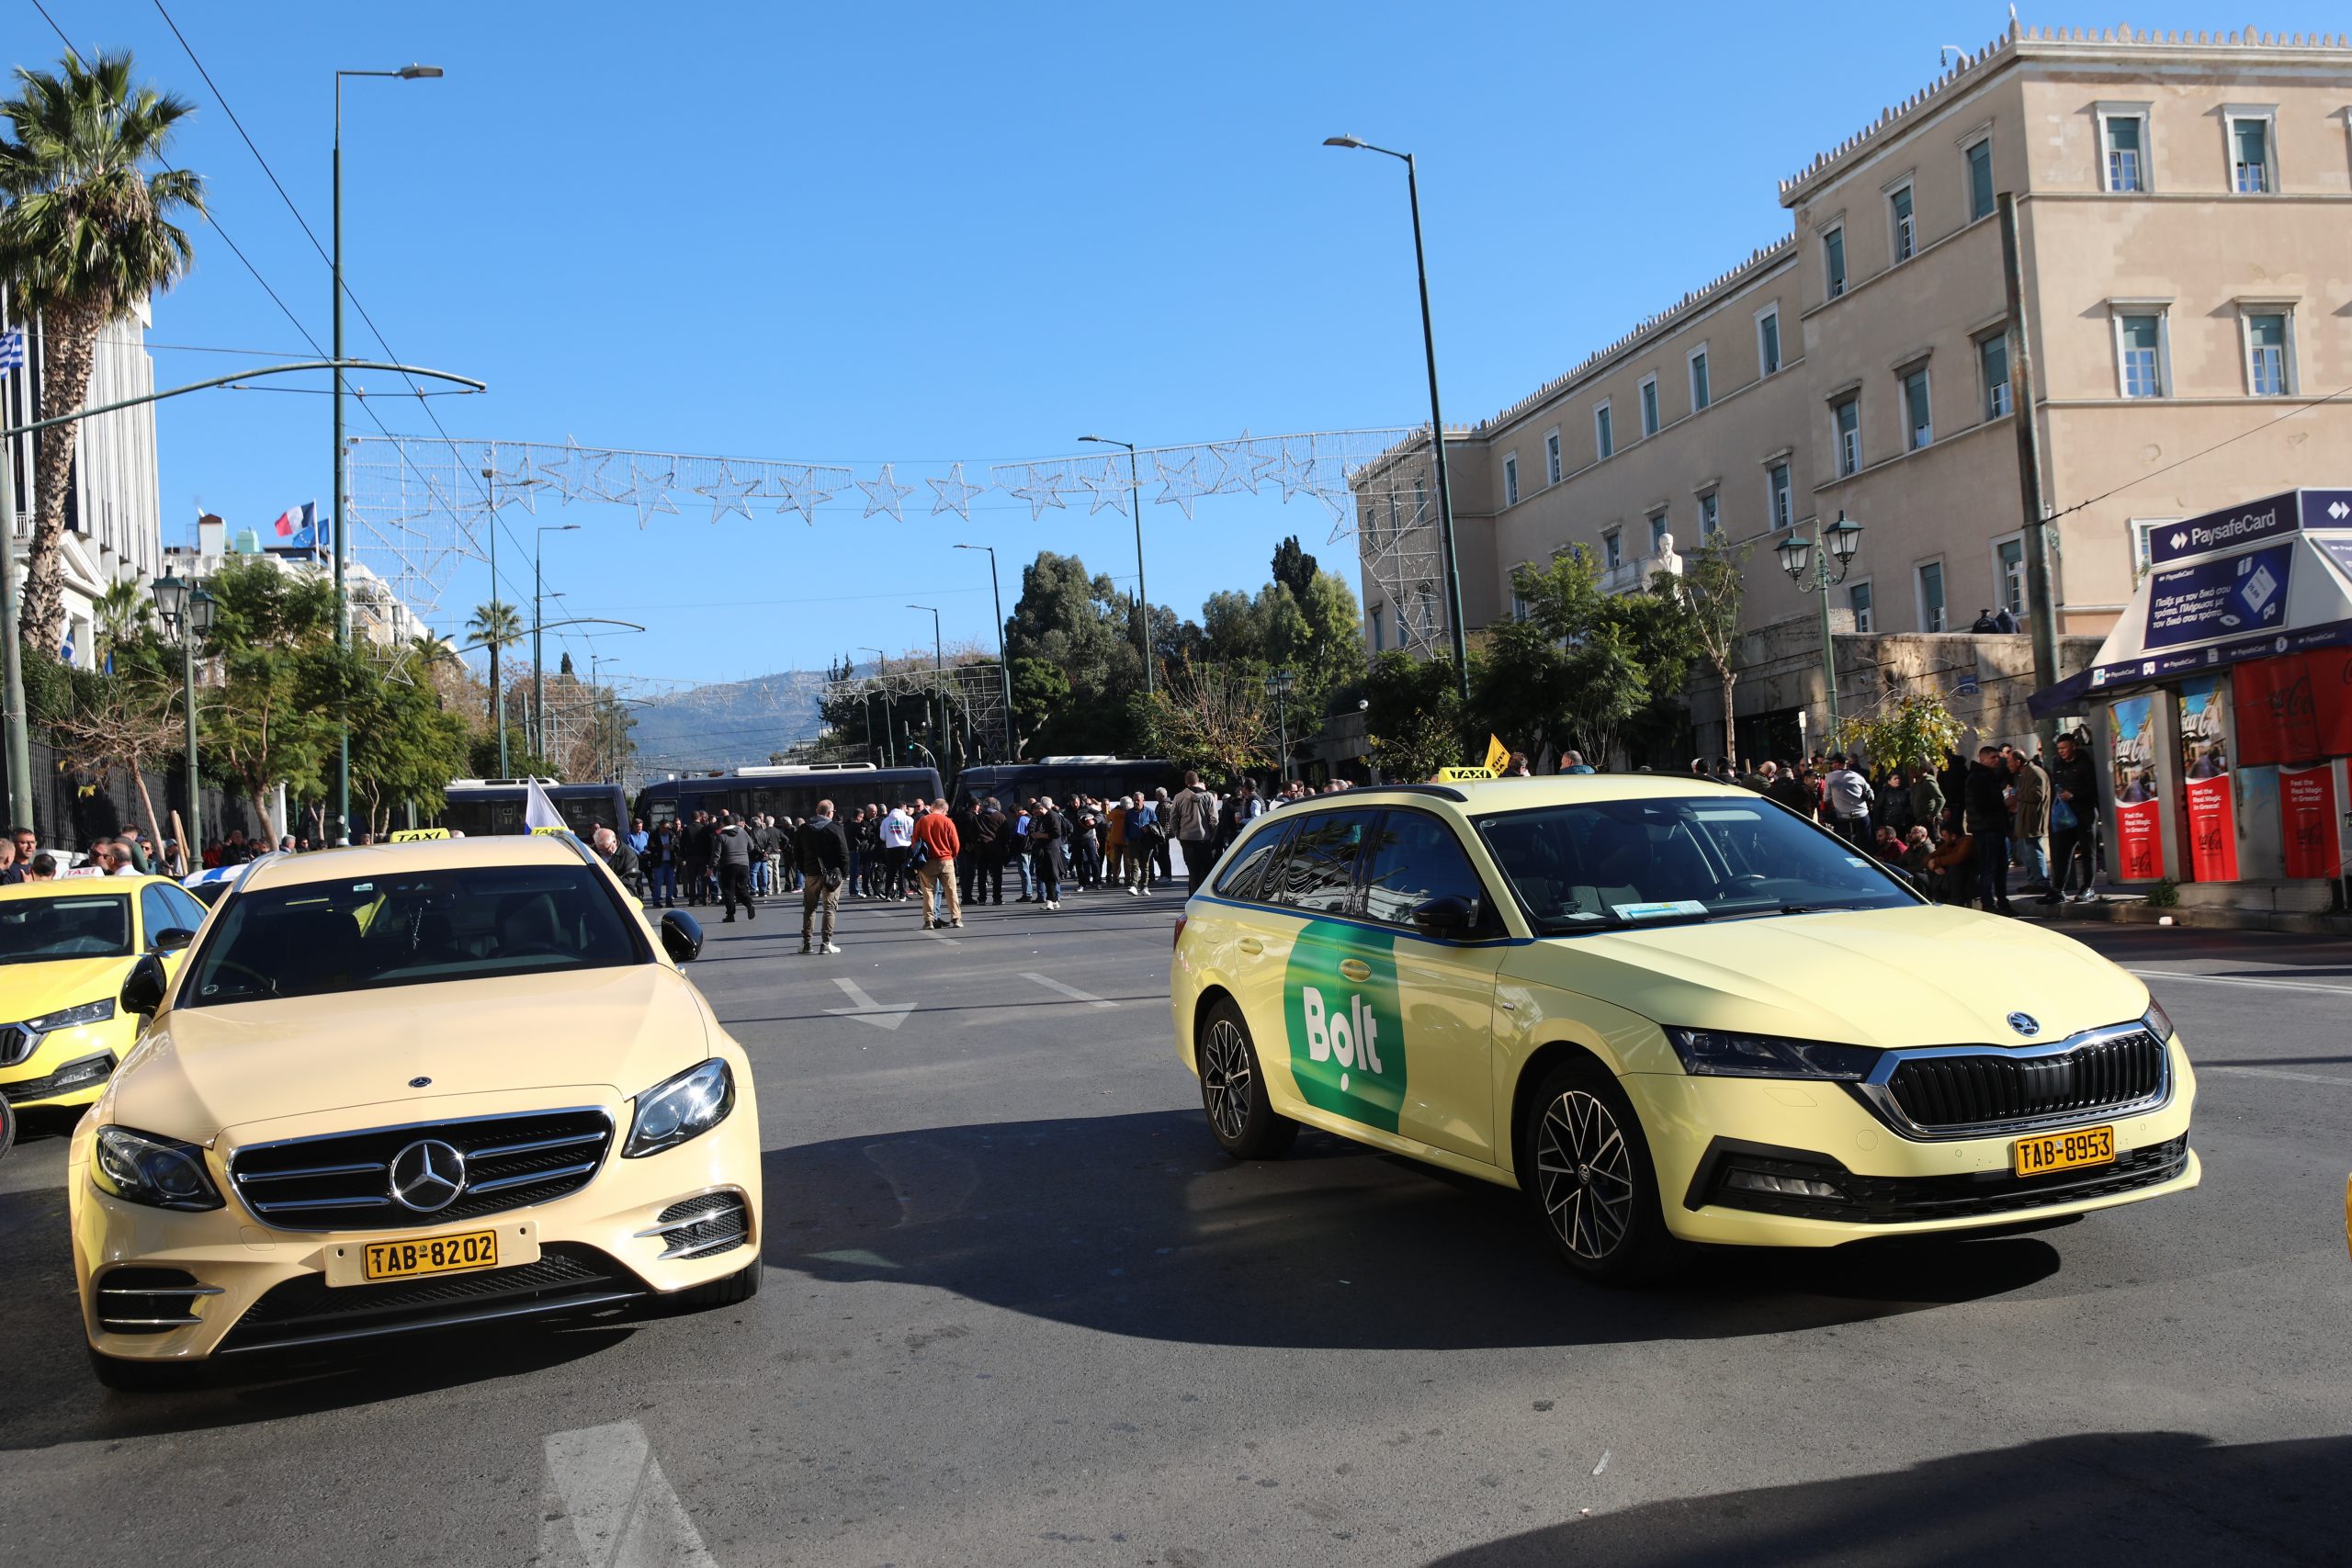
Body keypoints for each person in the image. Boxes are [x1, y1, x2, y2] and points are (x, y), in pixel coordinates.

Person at [2048, 731, 2099, 905]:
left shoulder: (2086, 763)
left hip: (2084, 812)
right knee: (2061, 852)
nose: (2061, 751)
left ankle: (2088, 887)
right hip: (2065, 814)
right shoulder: (2057, 762)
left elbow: (2094, 789)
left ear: (2074, 746)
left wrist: (2074, 795)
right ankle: (2057, 890)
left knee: (2087, 852)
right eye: (2059, 748)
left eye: (2064, 748)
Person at [1963, 745, 2016, 914]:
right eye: (1992, 757)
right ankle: (1988, 903)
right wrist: (2004, 803)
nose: (1997, 760)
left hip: (1995, 827)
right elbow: (1981, 805)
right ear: (1983, 759)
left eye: (1997, 757)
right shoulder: (1977, 778)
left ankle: (2002, 902)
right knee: (1990, 867)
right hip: (1985, 829)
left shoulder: (1989, 776)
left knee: (2001, 867)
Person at [795, 799, 848, 954]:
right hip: (832, 874)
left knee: (809, 908)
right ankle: (826, 943)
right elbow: (843, 853)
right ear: (830, 812)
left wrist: (804, 869)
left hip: (811, 873)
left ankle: (807, 943)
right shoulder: (835, 828)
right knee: (829, 908)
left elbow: (797, 853)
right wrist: (844, 873)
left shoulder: (804, 829)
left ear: (817, 811)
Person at [2007, 744, 2052, 895]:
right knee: (2027, 852)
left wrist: (2016, 797)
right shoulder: (2024, 774)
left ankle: (2041, 881)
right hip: (2025, 818)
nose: (2008, 766)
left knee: (2034, 850)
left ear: (2018, 761)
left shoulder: (2035, 773)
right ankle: (2033, 880)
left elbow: (2037, 795)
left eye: (2010, 762)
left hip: (2033, 819)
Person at [912, 798, 963, 930]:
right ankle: (956, 918)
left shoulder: (923, 821)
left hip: (928, 861)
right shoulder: (948, 822)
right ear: (944, 809)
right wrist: (952, 855)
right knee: (951, 890)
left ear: (933, 806)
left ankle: (929, 921)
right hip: (946, 860)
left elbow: (915, 841)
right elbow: (956, 845)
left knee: (928, 892)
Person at [1170, 772, 1218, 895]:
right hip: (1204, 838)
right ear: (1198, 780)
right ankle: (1206, 897)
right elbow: (1214, 819)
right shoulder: (1208, 796)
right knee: (1207, 870)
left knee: (1193, 871)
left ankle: (1192, 899)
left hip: (1186, 838)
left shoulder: (1179, 797)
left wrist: (1178, 834)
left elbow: (1173, 818)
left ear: (1186, 782)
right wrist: (1212, 835)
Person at [711, 810, 756, 922]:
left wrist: (713, 866)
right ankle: (749, 903)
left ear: (724, 824)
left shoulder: (721, 836)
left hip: (728, 865)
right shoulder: (743, 832)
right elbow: (751, 847)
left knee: (728, 891)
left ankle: (730, 915)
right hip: (744, 865)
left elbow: (717, 854)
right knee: (741, 887)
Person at [1822, 752, 1873, 849]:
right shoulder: (1858, 776)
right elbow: (1870, 795)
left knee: (1846, 848)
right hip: (1862, 815)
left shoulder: (1830, 776)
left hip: (1843, 818)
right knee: (1865, 848)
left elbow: (1826, 799)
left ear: (1838, 764)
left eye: (1833, 763)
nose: (1832, 765)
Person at [1027, 795, 1066, 909]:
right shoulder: (1042, 818)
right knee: (1045, 874)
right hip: (1043, 849)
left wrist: (1041, 835)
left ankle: (1050, 901)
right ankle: (1054, 900)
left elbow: (1057, 833)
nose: (1035, 814)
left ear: (1041, 808)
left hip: (1050, 849)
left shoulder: (1052, 816)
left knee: (1050, 875)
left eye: (1035, 811)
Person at [1124, 793, 1162, 896]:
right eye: (1135, 800)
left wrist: (1148, 828)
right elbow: (1125, 828)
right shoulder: (1129, 813)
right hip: (1133, 842)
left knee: (1145, 865)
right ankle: (1134, 886)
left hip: (1147, 842)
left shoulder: (1149, 812)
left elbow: (1156, 824)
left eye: (1138, 800)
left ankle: (1145, 887)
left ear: (1143, 800)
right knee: (1134, 865)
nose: (1136, 802)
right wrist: (1126, 838)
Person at [879, 800, 914, 900]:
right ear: (903, 807)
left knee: (891, 872)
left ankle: (888, 894)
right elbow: (913, 833)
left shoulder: (886, 821)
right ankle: (902, 895)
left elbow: (882, 837)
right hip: (905, 847)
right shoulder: (908, 819)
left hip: (891, 848)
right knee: (902, 872)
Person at [592, 826, 639, 890]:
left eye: (607, 849)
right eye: (600, 850)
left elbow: (629, 883)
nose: (603, 852)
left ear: (614, 841)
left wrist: (607, 878)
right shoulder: (592, 851)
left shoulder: (628, 855)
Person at [647, 818, 680, 908]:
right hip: (659, 863)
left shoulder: (671, 834)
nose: (666, 829)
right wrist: (662, 847)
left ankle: (669, 900)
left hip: (670, 862)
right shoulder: (654, 835)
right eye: (664, 828)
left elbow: (678, 845)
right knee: (658, 882)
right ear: (660, 827)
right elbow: (650, 847)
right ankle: (656, 901)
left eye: (668, 828)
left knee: (670, 882)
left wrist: (673, 847)